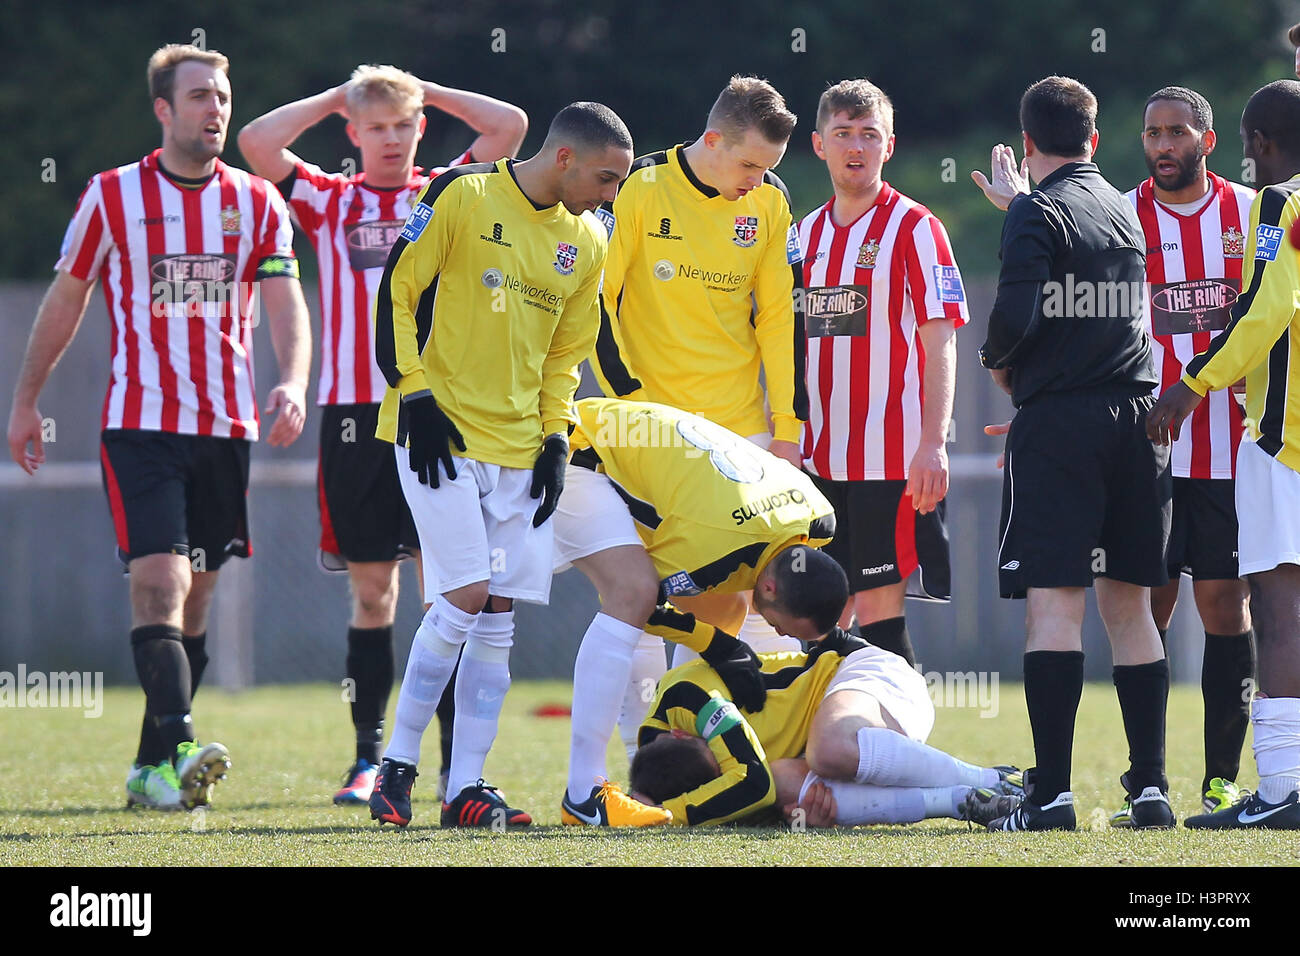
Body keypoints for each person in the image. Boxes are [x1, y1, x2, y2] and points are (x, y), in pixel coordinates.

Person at [6, 44, 311, 810]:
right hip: (139, 426)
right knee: (159, 579)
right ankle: (179, 747)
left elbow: (284, 304)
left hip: (225, 429)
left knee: (196, 599)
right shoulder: (111, 196)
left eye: (223, 96)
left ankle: (150, 769)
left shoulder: (258, 202)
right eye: (200, 96)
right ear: (164, 110)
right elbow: (66, 298)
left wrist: (294, 382)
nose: (216, 109)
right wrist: (24, 401)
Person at [238, 66, 527, 806]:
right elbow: (258, 142)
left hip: (437, 410)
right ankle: (367, 760)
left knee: (455, 592)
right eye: (377, 126)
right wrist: (342, 94)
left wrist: (426, 87)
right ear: (354, 134)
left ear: (421, 127)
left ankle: (451, 765)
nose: (392, 139)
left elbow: (510, 127)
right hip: (354, 416)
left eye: (403, 124)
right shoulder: (331, 201)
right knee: (373, 594)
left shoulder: (448, 192)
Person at [364, 103, 634, 829]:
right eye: (606, 178)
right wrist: (413, 392)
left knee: (499, 617)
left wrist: (554, 439)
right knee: (464, 595)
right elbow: (397, 289)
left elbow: (566, 357)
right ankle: (395, 770)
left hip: (520, 448)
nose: (611, 196)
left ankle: (465, 790)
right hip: (437, 432)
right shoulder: (464, 192)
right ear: (565, 158)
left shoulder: (589, 238)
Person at [970, 76, 1173, 831]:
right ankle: (1149, 789)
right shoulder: (1122, 207)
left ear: (1027, 142)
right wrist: (1020, 205)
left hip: (1063, 428)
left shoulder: (1037, 209)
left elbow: (1017, 314)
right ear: (1095, 136)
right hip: (1137, 422)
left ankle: (1050, 797)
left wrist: (1002, 367)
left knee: (1055, 606)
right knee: (1129, 606)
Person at [587, 73, 808, 749]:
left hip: (737, 429)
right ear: (712, 140)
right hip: (647, 428)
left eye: (768, 169)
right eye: (748, 164)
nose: (756, 181)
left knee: (726, 598)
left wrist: (788, 430)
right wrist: (630, 409)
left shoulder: (770, 202)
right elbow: (596, 304)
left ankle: (685, 746)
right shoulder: (638, 188)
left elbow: (779, 318)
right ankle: (638, 752)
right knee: (641, 592)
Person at [553, 397, 841, 826]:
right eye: (784, 626)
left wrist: (720, 641)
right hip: (580, 451)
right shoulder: (713, 547)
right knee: (631, 593)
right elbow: (645, 608)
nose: (781, 635)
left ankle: (673, 756)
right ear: (770, 585)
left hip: (649, 452)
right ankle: (585, 793)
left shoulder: (820, 518)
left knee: (725, 607)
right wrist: (717, 645)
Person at [1147, 79, 1300, 830]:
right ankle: (1253, 784)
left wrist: (1190, 387)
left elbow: (1266, 309)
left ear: (1252, 143)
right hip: (1251, 445)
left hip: (1273, 442)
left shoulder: (1270, 207)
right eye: (1154, 133)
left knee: (1270, 610)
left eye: (1248, 146)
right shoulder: (1130, 211)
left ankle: (1270, 789)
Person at [1118, 86, 1256, 824]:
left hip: (1234, 449)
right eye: (1152, 133)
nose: (1164, 145)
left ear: (1205, 139)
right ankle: (1148, 782)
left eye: (1177, 132)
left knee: (1224, 605)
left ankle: (1222, 781)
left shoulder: (1247, 211)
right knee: (1150, 605)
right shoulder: (1122, 213)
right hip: (1148, 452)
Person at [798, 78, 967, 668]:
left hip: (889, 460)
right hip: (816, 460)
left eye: (869, 135)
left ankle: (903, 755)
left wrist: (931, 444)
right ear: (819, 144)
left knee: (878, 616)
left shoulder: (917, 227)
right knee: (818, 618)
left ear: (888, 147)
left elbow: (940, 340)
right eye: (843, 133)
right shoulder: (804, 236)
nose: (856, 146)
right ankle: (830, 754)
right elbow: (790, 345)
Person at [626, 629, 1023, 827]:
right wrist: (793, 815)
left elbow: (749, 781)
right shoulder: (667, 767)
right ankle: (961, 802)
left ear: (679, 733)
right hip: (855, 750)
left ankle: (993, 778)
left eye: (714, 751)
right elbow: (747, 795)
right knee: (787, 781)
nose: (726, 756)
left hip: (865, 674)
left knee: (824, 751)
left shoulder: (684, 695)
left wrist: (663, 815)